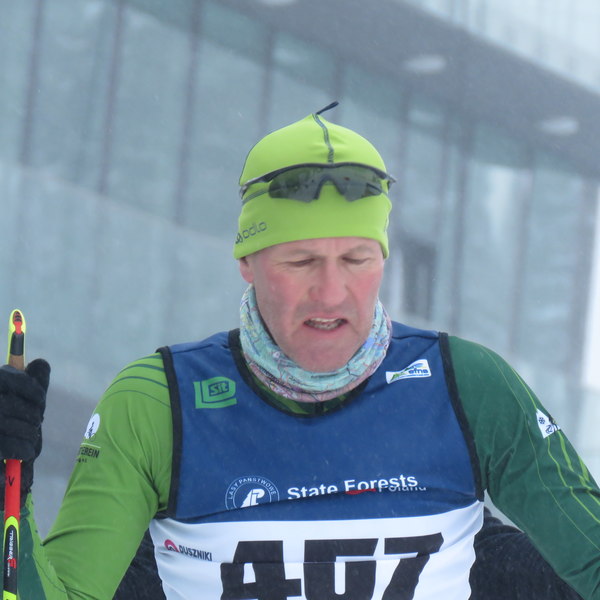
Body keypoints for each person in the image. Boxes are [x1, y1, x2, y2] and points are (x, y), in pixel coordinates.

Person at [0, 103, 596, 599]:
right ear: (248, 262)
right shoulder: (159, 402)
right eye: (301, 261)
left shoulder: (467, 387)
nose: (331, 293)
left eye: (356, 259)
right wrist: (7, 481)